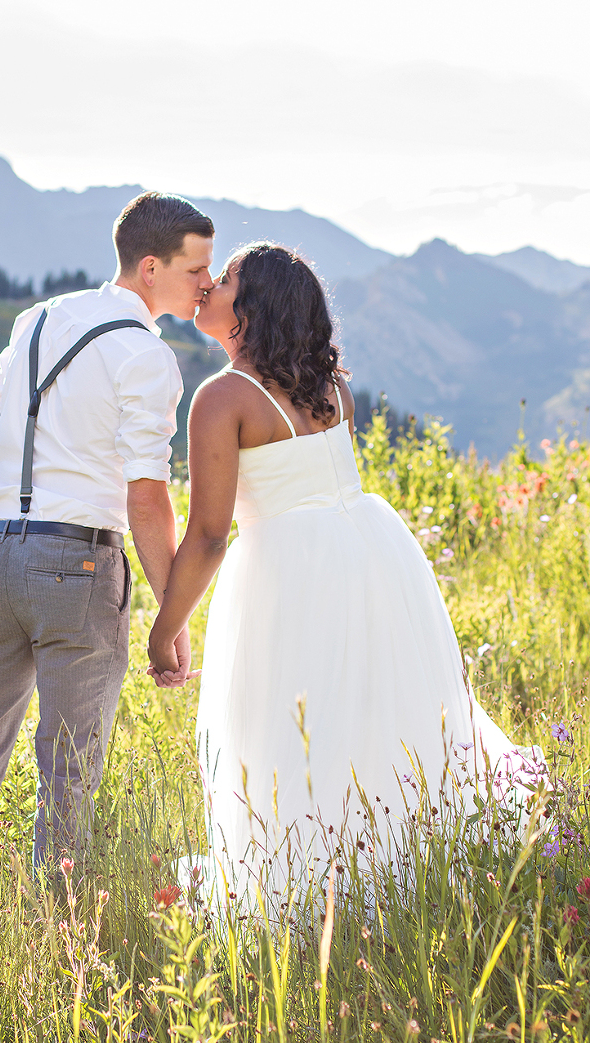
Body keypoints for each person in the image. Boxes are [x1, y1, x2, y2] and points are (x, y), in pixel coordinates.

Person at [147, 242, 543, 903]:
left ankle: (309, 885)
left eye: (226, 279)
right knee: (368, 717)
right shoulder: (332, 390)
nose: (210, 285)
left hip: (289, 573)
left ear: (250, 308)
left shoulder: (223, 399)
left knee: (291, 729)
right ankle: (392, 866)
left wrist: (166, 631)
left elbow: (212, 534)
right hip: (370, 557)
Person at [0, 191, 214, 874]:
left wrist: (0, 531)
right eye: (196, 269)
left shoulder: (39, 318)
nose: (208, 282)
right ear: (151, 268)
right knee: (69, 768)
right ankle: (62, 931)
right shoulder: (146, 355)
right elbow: (147, 497)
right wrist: (172, 618)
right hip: (79, 569)